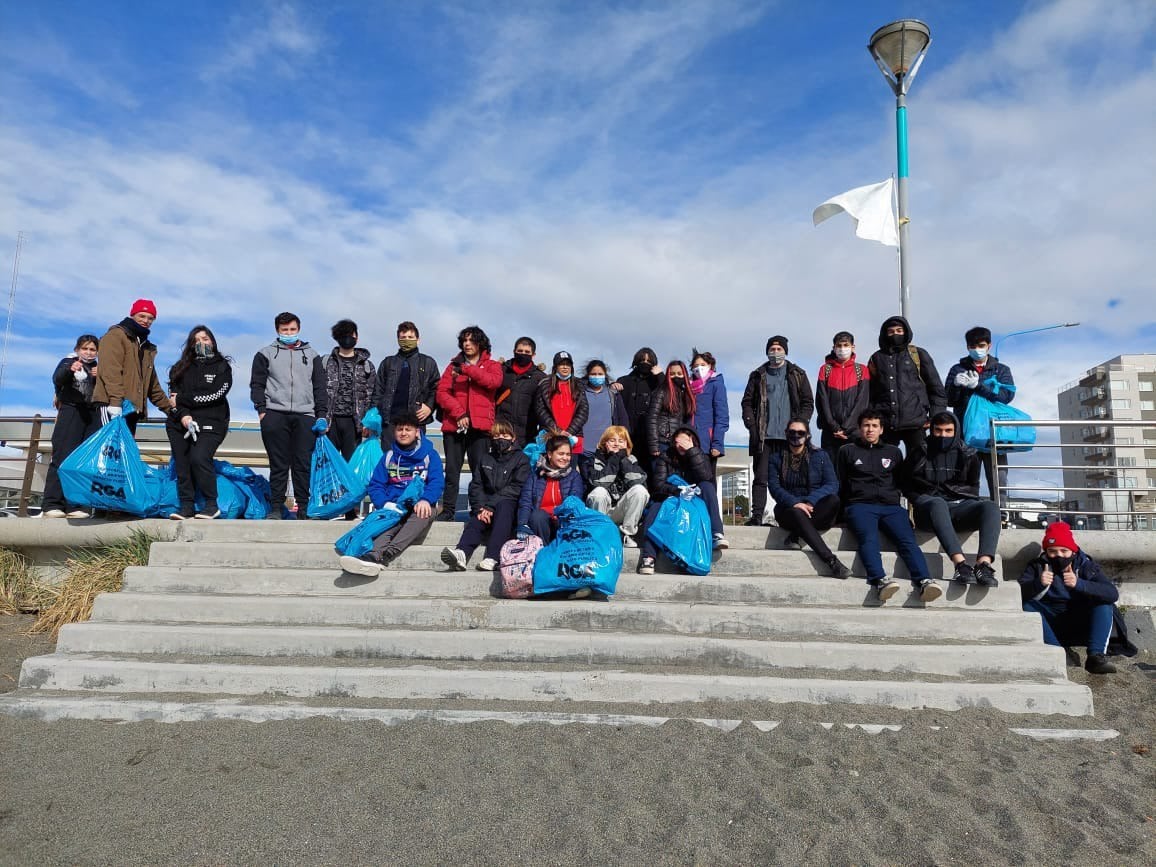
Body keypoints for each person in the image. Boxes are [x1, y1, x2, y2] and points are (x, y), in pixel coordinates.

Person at [837, 410, 940, 603]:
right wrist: (841, 513)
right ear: (860, 428)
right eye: (866, 425)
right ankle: (880, 581)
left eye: (874, 426)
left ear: (881, 429)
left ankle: (924, 581)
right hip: (860, 505)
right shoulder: (847, 451)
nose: (870, 429)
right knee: (869, 539)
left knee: (908, 541)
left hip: (891, 507)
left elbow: (901, 482)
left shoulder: (893, 452)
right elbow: (840, 483)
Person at [339, 412, 445, 575]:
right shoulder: (388, 456)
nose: (403, 433)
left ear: (417, 432)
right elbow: (376, 485)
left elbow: (437, 482)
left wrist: (425, 499)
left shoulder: (430, 455)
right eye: (400, 429)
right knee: (389, 523)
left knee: (422, 514)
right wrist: (385, 504)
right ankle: (372, 557)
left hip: (420, 505)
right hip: (394, 506)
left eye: (408, 429)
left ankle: (388, 554)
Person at [905, 412, 1001, 587]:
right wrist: (921, 498)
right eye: (938, 430)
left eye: (948, 431)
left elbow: (973, 487)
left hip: (959, 508)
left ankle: (983, 565)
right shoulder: (920, 451)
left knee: (991, 507)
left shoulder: (968, 453)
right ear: (931, 430)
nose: (943, 435)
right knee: (938, 503)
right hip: (929, 512)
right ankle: (960, 565)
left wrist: (951, 492)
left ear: (955, 431)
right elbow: (906, 484)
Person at [250, 311, 327, 519]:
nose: (289, 333)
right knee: (279, 463)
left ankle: (303, 508)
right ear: (278, 330)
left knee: (302, 463)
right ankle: (276, 507)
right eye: (285, 330)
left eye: (292, 329)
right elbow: (257, 384)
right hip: (275, 414)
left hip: (305, 415)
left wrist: (321, 415)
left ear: (298, 329)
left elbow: (320, 387)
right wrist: (262, 411)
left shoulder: (312, 355)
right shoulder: (265, 353)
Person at [1018, 522, 1120, 674]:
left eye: (1064, 551)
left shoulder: (1086, 565)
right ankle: (1059, 654)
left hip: (1080, 622)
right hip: (1050, 624)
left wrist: (1079, 584)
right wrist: (1038, 584)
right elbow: (1016, 595)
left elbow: (1112, 593)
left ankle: (1096, 657)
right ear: (1046, 551)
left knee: (1104, 604)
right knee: (1027, 605)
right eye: (1052, 551)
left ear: (1072, 551)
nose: (1058, 556)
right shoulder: (1037, 566)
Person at [740, 335, 814, 526]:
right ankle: (757, 515)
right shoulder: (758, 375)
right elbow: (747, 402)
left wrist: (801, 424)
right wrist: (752, 426)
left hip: (791, 437)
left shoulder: (797, 373)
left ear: (785, 351)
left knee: (791, 478)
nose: (775, 352)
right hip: (764, 436)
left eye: (779, 349)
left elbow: (808, 402)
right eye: (772, 349)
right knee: (761, 477)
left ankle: (789, 515)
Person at [441, 421, 529, 571]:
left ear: (513, 438)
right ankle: (462, 552)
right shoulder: (485, 458)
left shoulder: (522, 459)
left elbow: (516, 487)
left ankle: (493, 557)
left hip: (509, 506)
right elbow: (476, 485)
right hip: (486, 506)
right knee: (477, 519)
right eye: (496, 435)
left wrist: (490, 505)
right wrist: (480, 508)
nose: (500, 439)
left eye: (504, 435)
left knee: (505, 506)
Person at [638, 426, 727, 574]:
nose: (682, 445)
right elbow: (658, 484)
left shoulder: (701, 456)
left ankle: (717, 533)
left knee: (708, 486)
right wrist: (677, 491)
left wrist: (692, 452)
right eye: (679, 441)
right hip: (671, 496)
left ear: (692, 441)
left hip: (694, 499)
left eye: (686, 441)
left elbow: (706, 477)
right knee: (655, 508)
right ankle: (648, 557)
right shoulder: (665, 457)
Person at [767, 419, 850, 578]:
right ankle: (831, 561)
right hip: (789, 509)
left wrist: (809, 501)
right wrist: (795, 503)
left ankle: (796, 534)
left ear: (808, 435)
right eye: (792, 432)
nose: (796, 436)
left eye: (800, 433)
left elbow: (832, 484)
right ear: (786, 434)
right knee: (797, 513)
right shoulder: (776, 458)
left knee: (834, 500)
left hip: (815, 508)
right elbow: (774, 487)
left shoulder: (820, 455)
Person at [435, 325, 503, 521]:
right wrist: (459, 414)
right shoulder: (451, 366)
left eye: (471, 340)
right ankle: (448, 510)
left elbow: (493, 383)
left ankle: (477, 510)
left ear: (480, 343)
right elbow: (442, 393)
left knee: (479, 472)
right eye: (464, 340)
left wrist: (467, 369)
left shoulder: (492, 365)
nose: (467, 344)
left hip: (481, 428)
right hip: (454, 426)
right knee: (452, 471)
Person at [166, 326, 233, 520]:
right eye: (196, 340)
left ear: (212, 341)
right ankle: (186, 506)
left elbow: (216, 394)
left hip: (212, 422)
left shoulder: (222, 366)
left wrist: (183, 399)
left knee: (199, 457)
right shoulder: (180, 368)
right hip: (180, 422)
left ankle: (211, 505)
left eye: (205, 339)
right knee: (183, 464)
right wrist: (184, 415)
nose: (201, 343)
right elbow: (173, 399)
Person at [944, 326, 1015, 503]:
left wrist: (978, 387)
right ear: (967, 347)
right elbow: (949, 400)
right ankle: (967, 509)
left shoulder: (1001, 370)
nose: (977, 350)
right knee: (966, 473)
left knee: (998, 475)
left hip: (994, 431)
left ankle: (1001, 512)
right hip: (966, 432)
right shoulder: (957, 369)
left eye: (981, 345)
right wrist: (956, 385)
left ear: (989, 345)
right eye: (972, 346)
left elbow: (1006, 397)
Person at [867, 316, 946, 458]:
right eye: (890, 332)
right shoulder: (876, 358)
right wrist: (871, 418)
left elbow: (937, 390)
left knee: (918, 466)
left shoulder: (918, 354)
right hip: (886, 424)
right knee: (886, 467)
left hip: (916, 423)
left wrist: (935, 417)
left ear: (906, 332)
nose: (895, 334)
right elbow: (870, 392)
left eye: (899, 330)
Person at [93, 299, 176, 434]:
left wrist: (171, 411)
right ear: (133, 315)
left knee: (123, 452)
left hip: (131, 409)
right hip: (111, 406)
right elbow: (110, 371)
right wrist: (115, 402)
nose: (146, 321)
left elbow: (152, 386)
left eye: (150, 318)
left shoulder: (146, 348)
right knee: (106, 451)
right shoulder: (115, 336)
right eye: (142, 316)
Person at [42, 334, 100, 518]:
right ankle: (52, 503)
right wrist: (70, 369)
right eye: (85, 349)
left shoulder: (99, 368)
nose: (88, 353)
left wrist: (101, 376)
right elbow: (58, 379)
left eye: (92, 349)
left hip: (92, 415)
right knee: (62, 456)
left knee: (82, 461)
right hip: (71, 411)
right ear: (77, 350)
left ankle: (76, 505)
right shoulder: (68, 362)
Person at [325, 319, 377, 518]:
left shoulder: (366, 365)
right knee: (330, 465)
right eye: (344, 334)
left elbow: (373, 395)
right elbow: (319, 392)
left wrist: (368, 422)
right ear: (337, 338)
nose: (348, 338)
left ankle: (350, 509)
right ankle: (331, 505)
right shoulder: (326, 361)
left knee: (351, 466)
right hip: (330, 422)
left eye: (351, 334)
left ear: (357, 336)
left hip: (355, 423)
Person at [582, 425, 650, 548]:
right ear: (604, 443)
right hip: (602, 509)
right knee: (599, 492)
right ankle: (600, 536)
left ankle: (627, 535)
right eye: (612, 440)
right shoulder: (593, 461)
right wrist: (614, 459)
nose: (616, 444)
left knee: (640, 490)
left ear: (627, 444)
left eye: (621, 441)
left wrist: (622, 458)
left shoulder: (632, 460)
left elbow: (636, 482)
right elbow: (599, 482)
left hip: (621, 510)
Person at [375, 321, 440, 447]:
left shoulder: (428, 362)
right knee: (389, 460)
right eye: (403, 337)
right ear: (398, 340)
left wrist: (430, 406)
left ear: (418, 339)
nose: (407, 340)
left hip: (416, 421)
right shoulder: (387, 363)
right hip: (390, 423)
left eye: (410, 337)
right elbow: (378, 391)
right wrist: (374, 418)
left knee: (415, 460)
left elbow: (436, 387)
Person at [517, 434, 585, 543]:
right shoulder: (536, 476)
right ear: (549, 454)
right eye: (561, 454)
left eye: (568, 454)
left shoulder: (574, 476)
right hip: (541, 525)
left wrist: (559, 514)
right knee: (537, 516)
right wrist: (522, 524)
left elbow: (574, 501)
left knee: (565, 517)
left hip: (562, 522)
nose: (565, 458)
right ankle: (543, 550)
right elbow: (526, 501)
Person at [815, 331, 870, 461]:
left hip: (854, 432)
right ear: (834, 348)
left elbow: (862, 401)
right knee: (830, 473)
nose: (842, 349)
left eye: (846, 345)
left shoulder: (862, 370)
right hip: (830, 432)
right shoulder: (825, 369)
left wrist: (846, 428)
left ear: (853, 347)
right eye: (839, 346)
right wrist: (833, 426)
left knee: (855, 472)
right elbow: (822, 401)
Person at [614, 347, 663, 475]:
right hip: (628, 433)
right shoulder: (624, 381)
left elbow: (669, 393)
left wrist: (660, 375)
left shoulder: (657, 381)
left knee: (651, 471)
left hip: (649, 435)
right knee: (626, 467)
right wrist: (612, 387)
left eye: (649, 361)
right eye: (642, 360)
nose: (645, 363)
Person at [494, 336, 547, 446]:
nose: (523, 354)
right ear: (514, 351)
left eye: (527, 352)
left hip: (526, 435)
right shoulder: (501, 370)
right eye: (520, 351)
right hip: (500, 432)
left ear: (533, 355)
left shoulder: (540, 377)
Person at [535, 351, 589, 451]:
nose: (565, 367)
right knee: (548, 465)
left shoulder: (579, 385)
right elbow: (540, 410)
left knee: (570, 466)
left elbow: (583, 411)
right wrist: (557, 431)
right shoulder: (545, 384)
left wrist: (569, 432)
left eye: (568, 364)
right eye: (561, 364)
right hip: (549, 436)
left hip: (573, 437)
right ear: (555, 367)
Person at [689, 349, 729, 481]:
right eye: (695, 366)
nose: (698, 368)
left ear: (710, 365)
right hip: (689, 442)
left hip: (707, 443)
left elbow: (722, 416)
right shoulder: (688, 386)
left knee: (707, 482)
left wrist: (717, 444)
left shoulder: (716, 384)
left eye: (702, 364)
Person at [647, 360, 695, 459]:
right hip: (662, 442)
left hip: (677, 444)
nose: (676, 376)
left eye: (679, 374)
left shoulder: (684, 394)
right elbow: (652, 418)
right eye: (672, 374)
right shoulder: (661, 392)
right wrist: (654, 445)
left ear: (684, 375)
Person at [579, 360, 628, 453]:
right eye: (593, 374)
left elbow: (623, 418)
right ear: (588, 375)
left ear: (605, 374)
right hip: (583, 448)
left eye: (600, 374)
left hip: (606, 448)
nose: (597, 376)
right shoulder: (580, 393)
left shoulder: (613, 394)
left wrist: (623, 440)